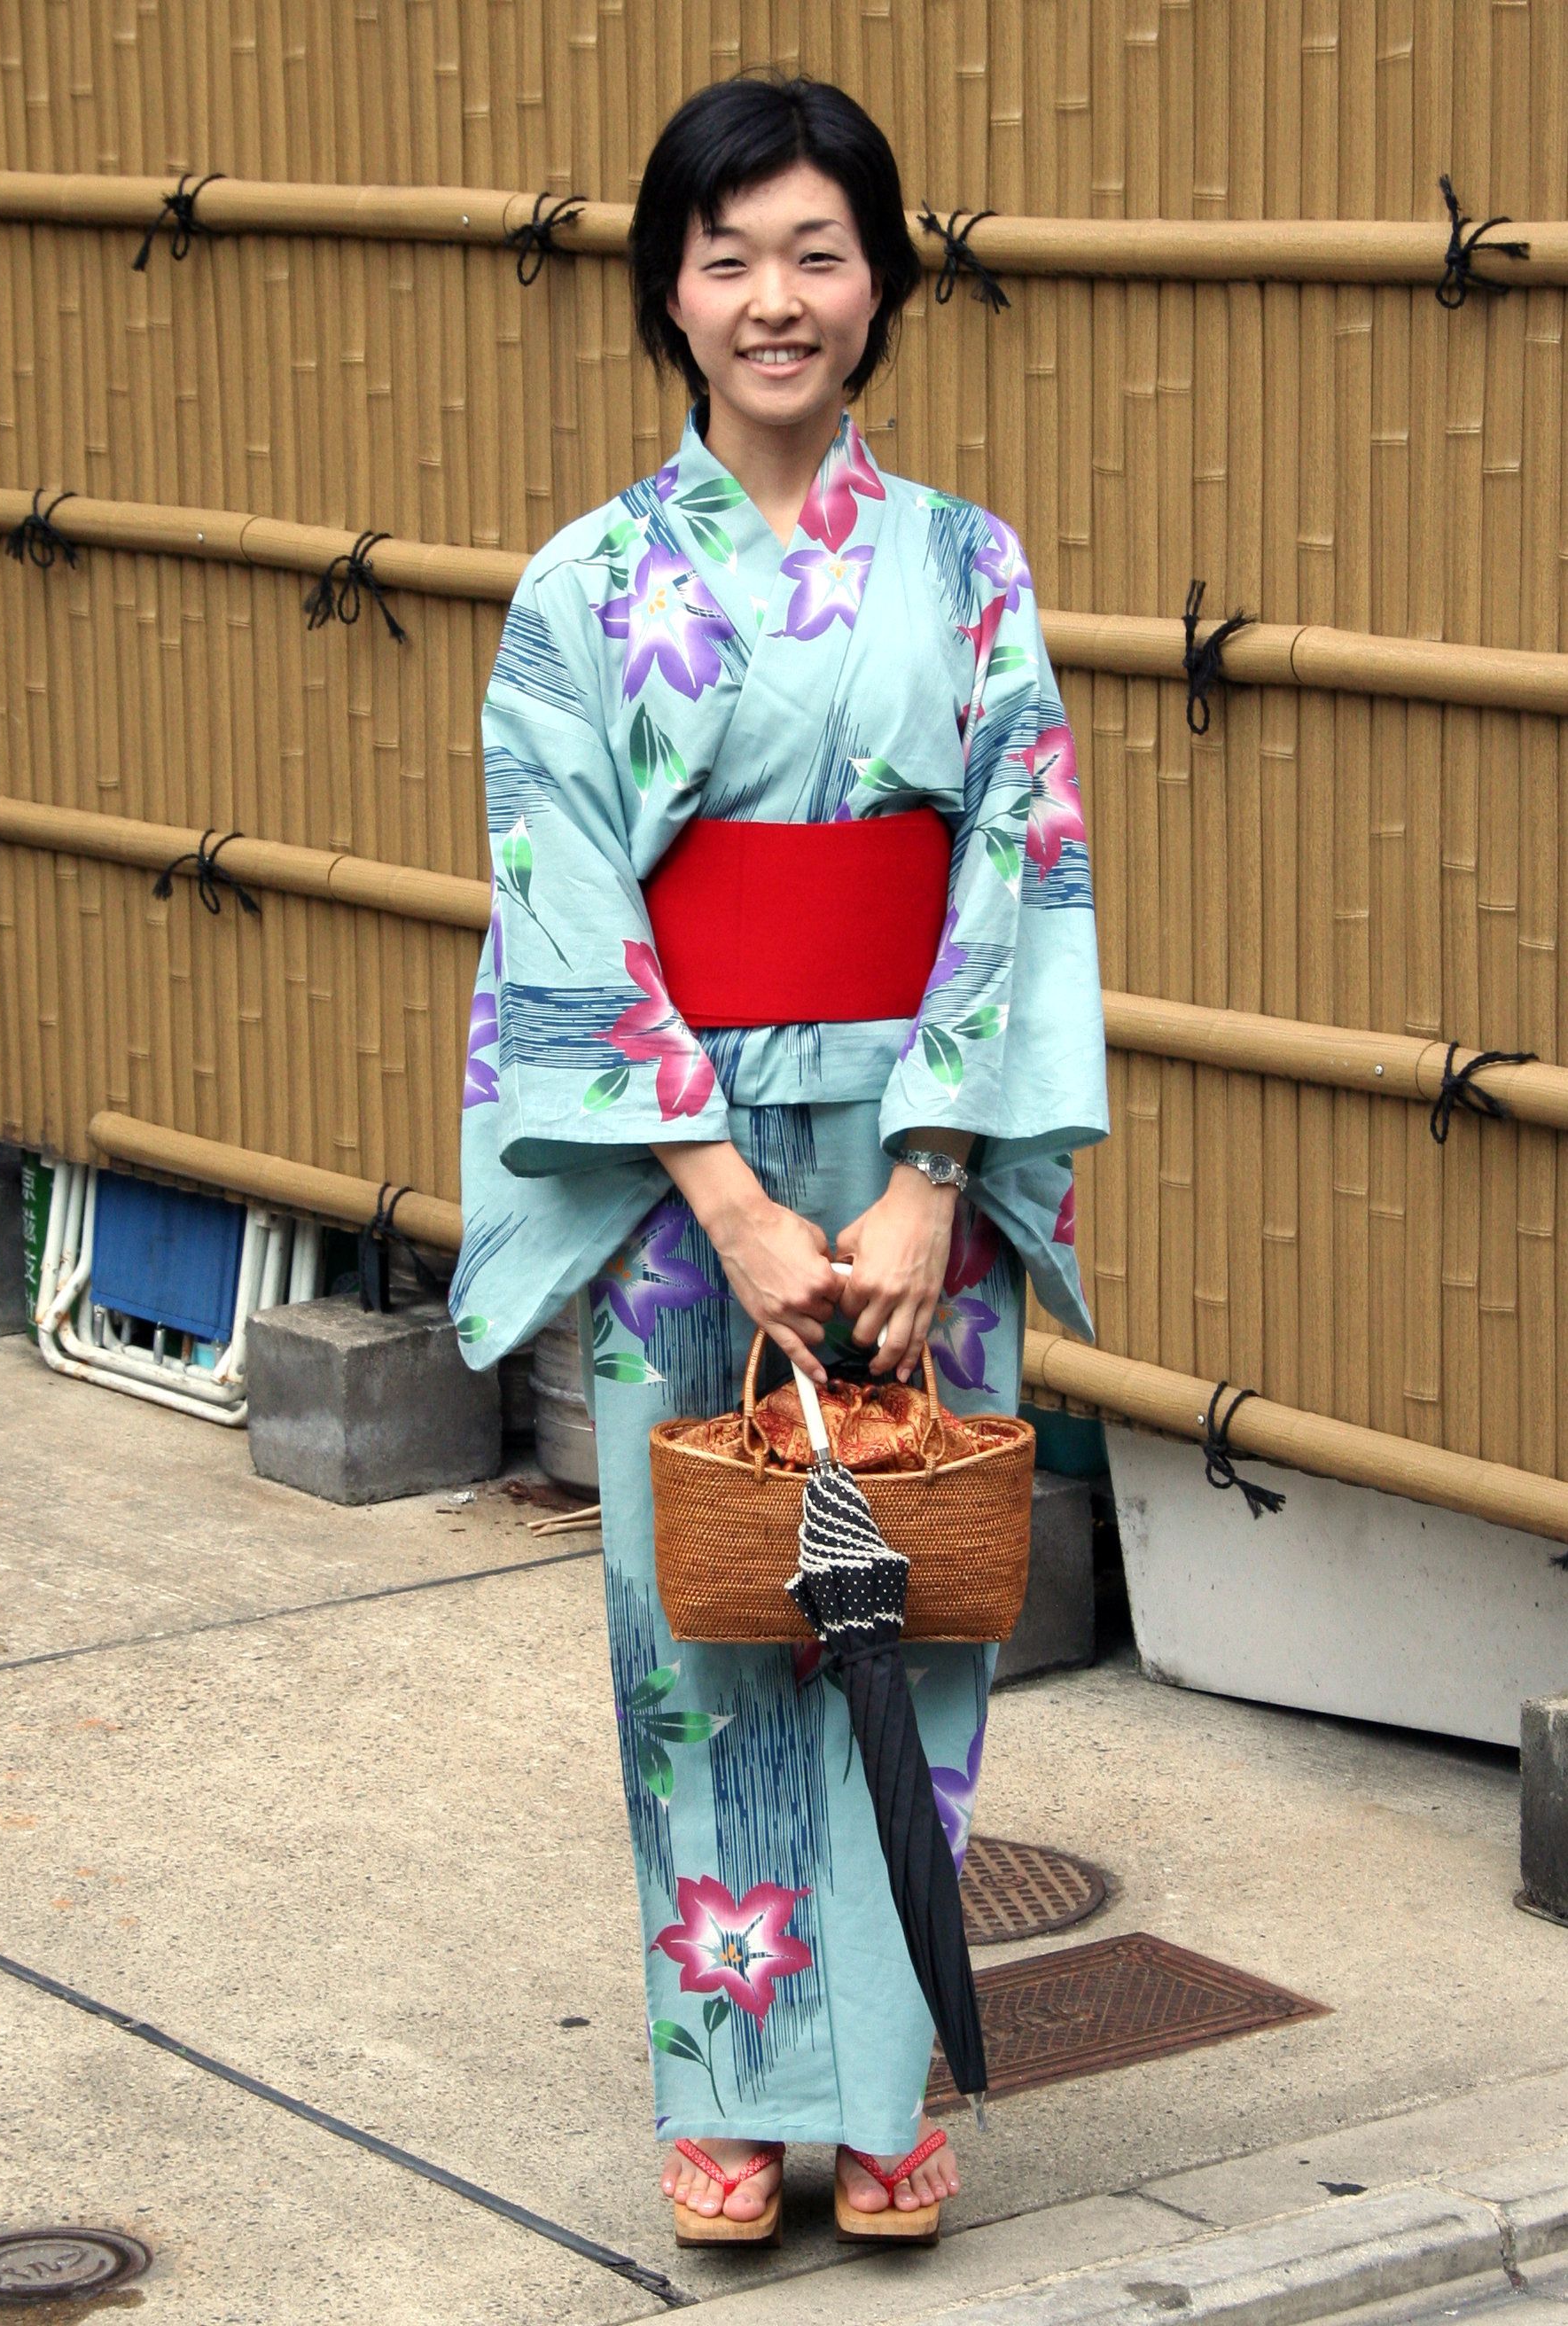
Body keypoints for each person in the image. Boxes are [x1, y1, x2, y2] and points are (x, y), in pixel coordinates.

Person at [454, 74, 1107, 2245]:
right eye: (726, 256)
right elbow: (564, 901)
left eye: (817, 252)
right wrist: (726, 1201)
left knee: (914, 1595)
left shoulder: (970, 566)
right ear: (669, 290)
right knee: (709, 1615)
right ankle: (729, 2087)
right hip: (687, 1166)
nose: (774, 298)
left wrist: (934, 1173)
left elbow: (1016, 859)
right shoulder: (584, 586)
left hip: (926, 1130)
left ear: (880, 282)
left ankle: (883, 2082)